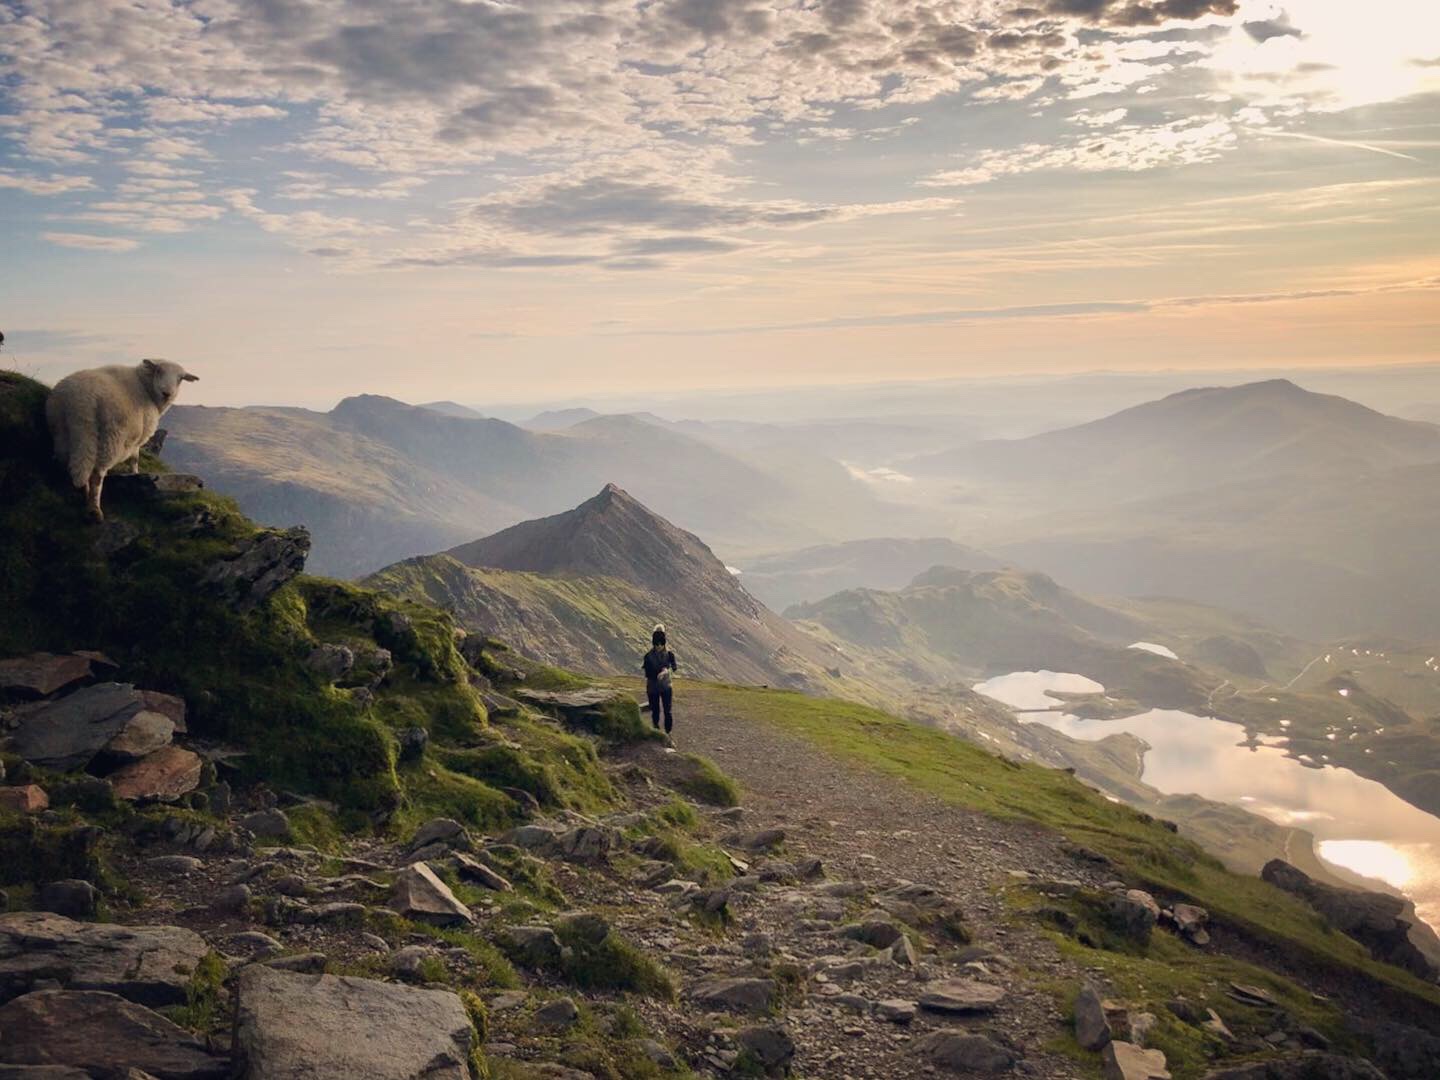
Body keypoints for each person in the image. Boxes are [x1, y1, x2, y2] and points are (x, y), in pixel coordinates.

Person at [642, 623, 678, 737]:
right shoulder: (648, 657)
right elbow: (647, 673)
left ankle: (668, 733)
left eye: (660, 644)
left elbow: (674, 667)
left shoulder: (670, 655)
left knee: (667, 711)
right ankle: (657, 732)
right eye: (656, 644)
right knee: (655, 711)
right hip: (653, 687)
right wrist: (660, 673)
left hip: (666, 687)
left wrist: (666, 672)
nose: (658, 646)